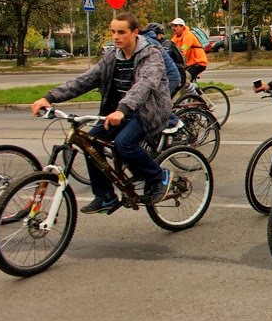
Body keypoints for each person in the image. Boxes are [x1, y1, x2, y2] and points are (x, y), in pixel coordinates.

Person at [30, 13, 174, 214]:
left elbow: (144, 85)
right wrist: (49, 97)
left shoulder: (151, 54)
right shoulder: (112, 56)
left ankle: (159, 176)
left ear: (135, 32)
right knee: (91, 142)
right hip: (120, 111)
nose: (116, 36)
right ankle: (105, 197)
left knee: (124, 143)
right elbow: (86, 80)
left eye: (121, 32)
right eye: (113, 31)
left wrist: (123, 110)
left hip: (148, 110)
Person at [142, 23, 182, 96]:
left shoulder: (153, 43)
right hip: (166, 73)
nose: (162, 37)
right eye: (161, 35)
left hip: (174, 75)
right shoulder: (150, 41)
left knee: (160, 99)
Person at [170, 17, 208, 84]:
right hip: (189, 64)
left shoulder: (188, 36)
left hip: (198, 63)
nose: (173, 28)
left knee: (184, 80)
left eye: (176, 26)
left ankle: (192, 91)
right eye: (172, 26)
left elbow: (183, 50)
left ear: (182, 27)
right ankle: (192, 90)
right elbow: (170, 49)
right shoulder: (174, 38)